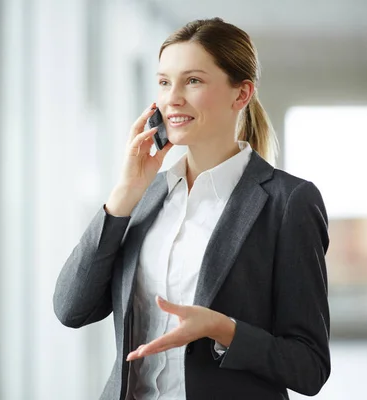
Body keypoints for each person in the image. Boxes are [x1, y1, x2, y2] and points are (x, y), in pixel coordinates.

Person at [53, 17, 330, 400]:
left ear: (241, 94)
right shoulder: (146, 197)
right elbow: (71, 309)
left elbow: (309, 366)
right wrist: (125, 193)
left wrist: (223, 329)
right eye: (164, 82)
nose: (172, 98)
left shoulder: (289, 202)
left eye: (193, 81)